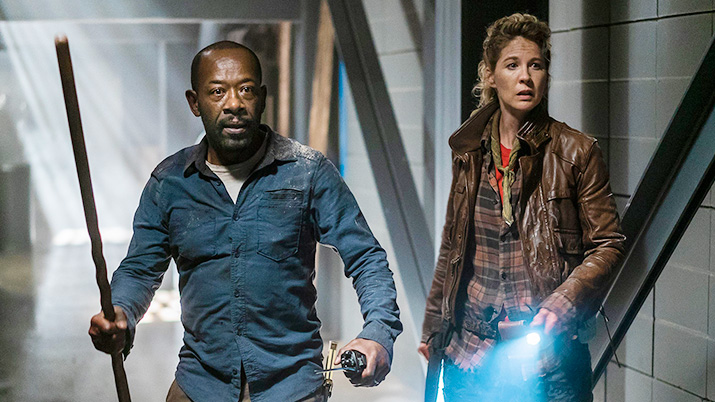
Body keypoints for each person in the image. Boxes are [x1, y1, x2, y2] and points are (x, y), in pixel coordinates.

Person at [89, 41, 401, 402]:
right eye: (217, 92)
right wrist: (122, 312)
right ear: (194, 102)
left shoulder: (308, 173)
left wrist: (377, 332)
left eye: (246, 89)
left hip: (291, 388)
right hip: (200, 384)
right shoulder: (170, 183)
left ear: (262, 98)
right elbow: (140, 270)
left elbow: (366, 258)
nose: (234, 103)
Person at [419, 13, 625, 402]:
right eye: (512, 65)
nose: (525, 77)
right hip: (471, 354)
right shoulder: (470, 151)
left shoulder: (577, 152)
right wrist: (433, 328)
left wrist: (567, 297)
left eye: (536, 66)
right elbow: (454, 244)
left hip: (547, 358)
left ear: (546, 75)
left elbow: (608, 243)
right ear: (490, 75)